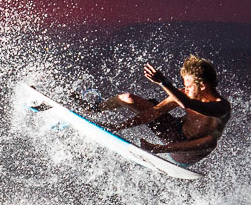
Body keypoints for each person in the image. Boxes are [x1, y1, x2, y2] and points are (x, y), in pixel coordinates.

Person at [87, 55, 230, 165]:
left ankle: (157, 149)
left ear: (203, 86)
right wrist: (118, 127)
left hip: (187, 153)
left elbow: (187, 104)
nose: (185, 89)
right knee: (128, 98)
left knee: (211, 141)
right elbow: (153, 113)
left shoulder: (220, 108)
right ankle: (94, 108)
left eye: (189, 86)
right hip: (175, 131)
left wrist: (164, 82)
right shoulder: (184, 95)